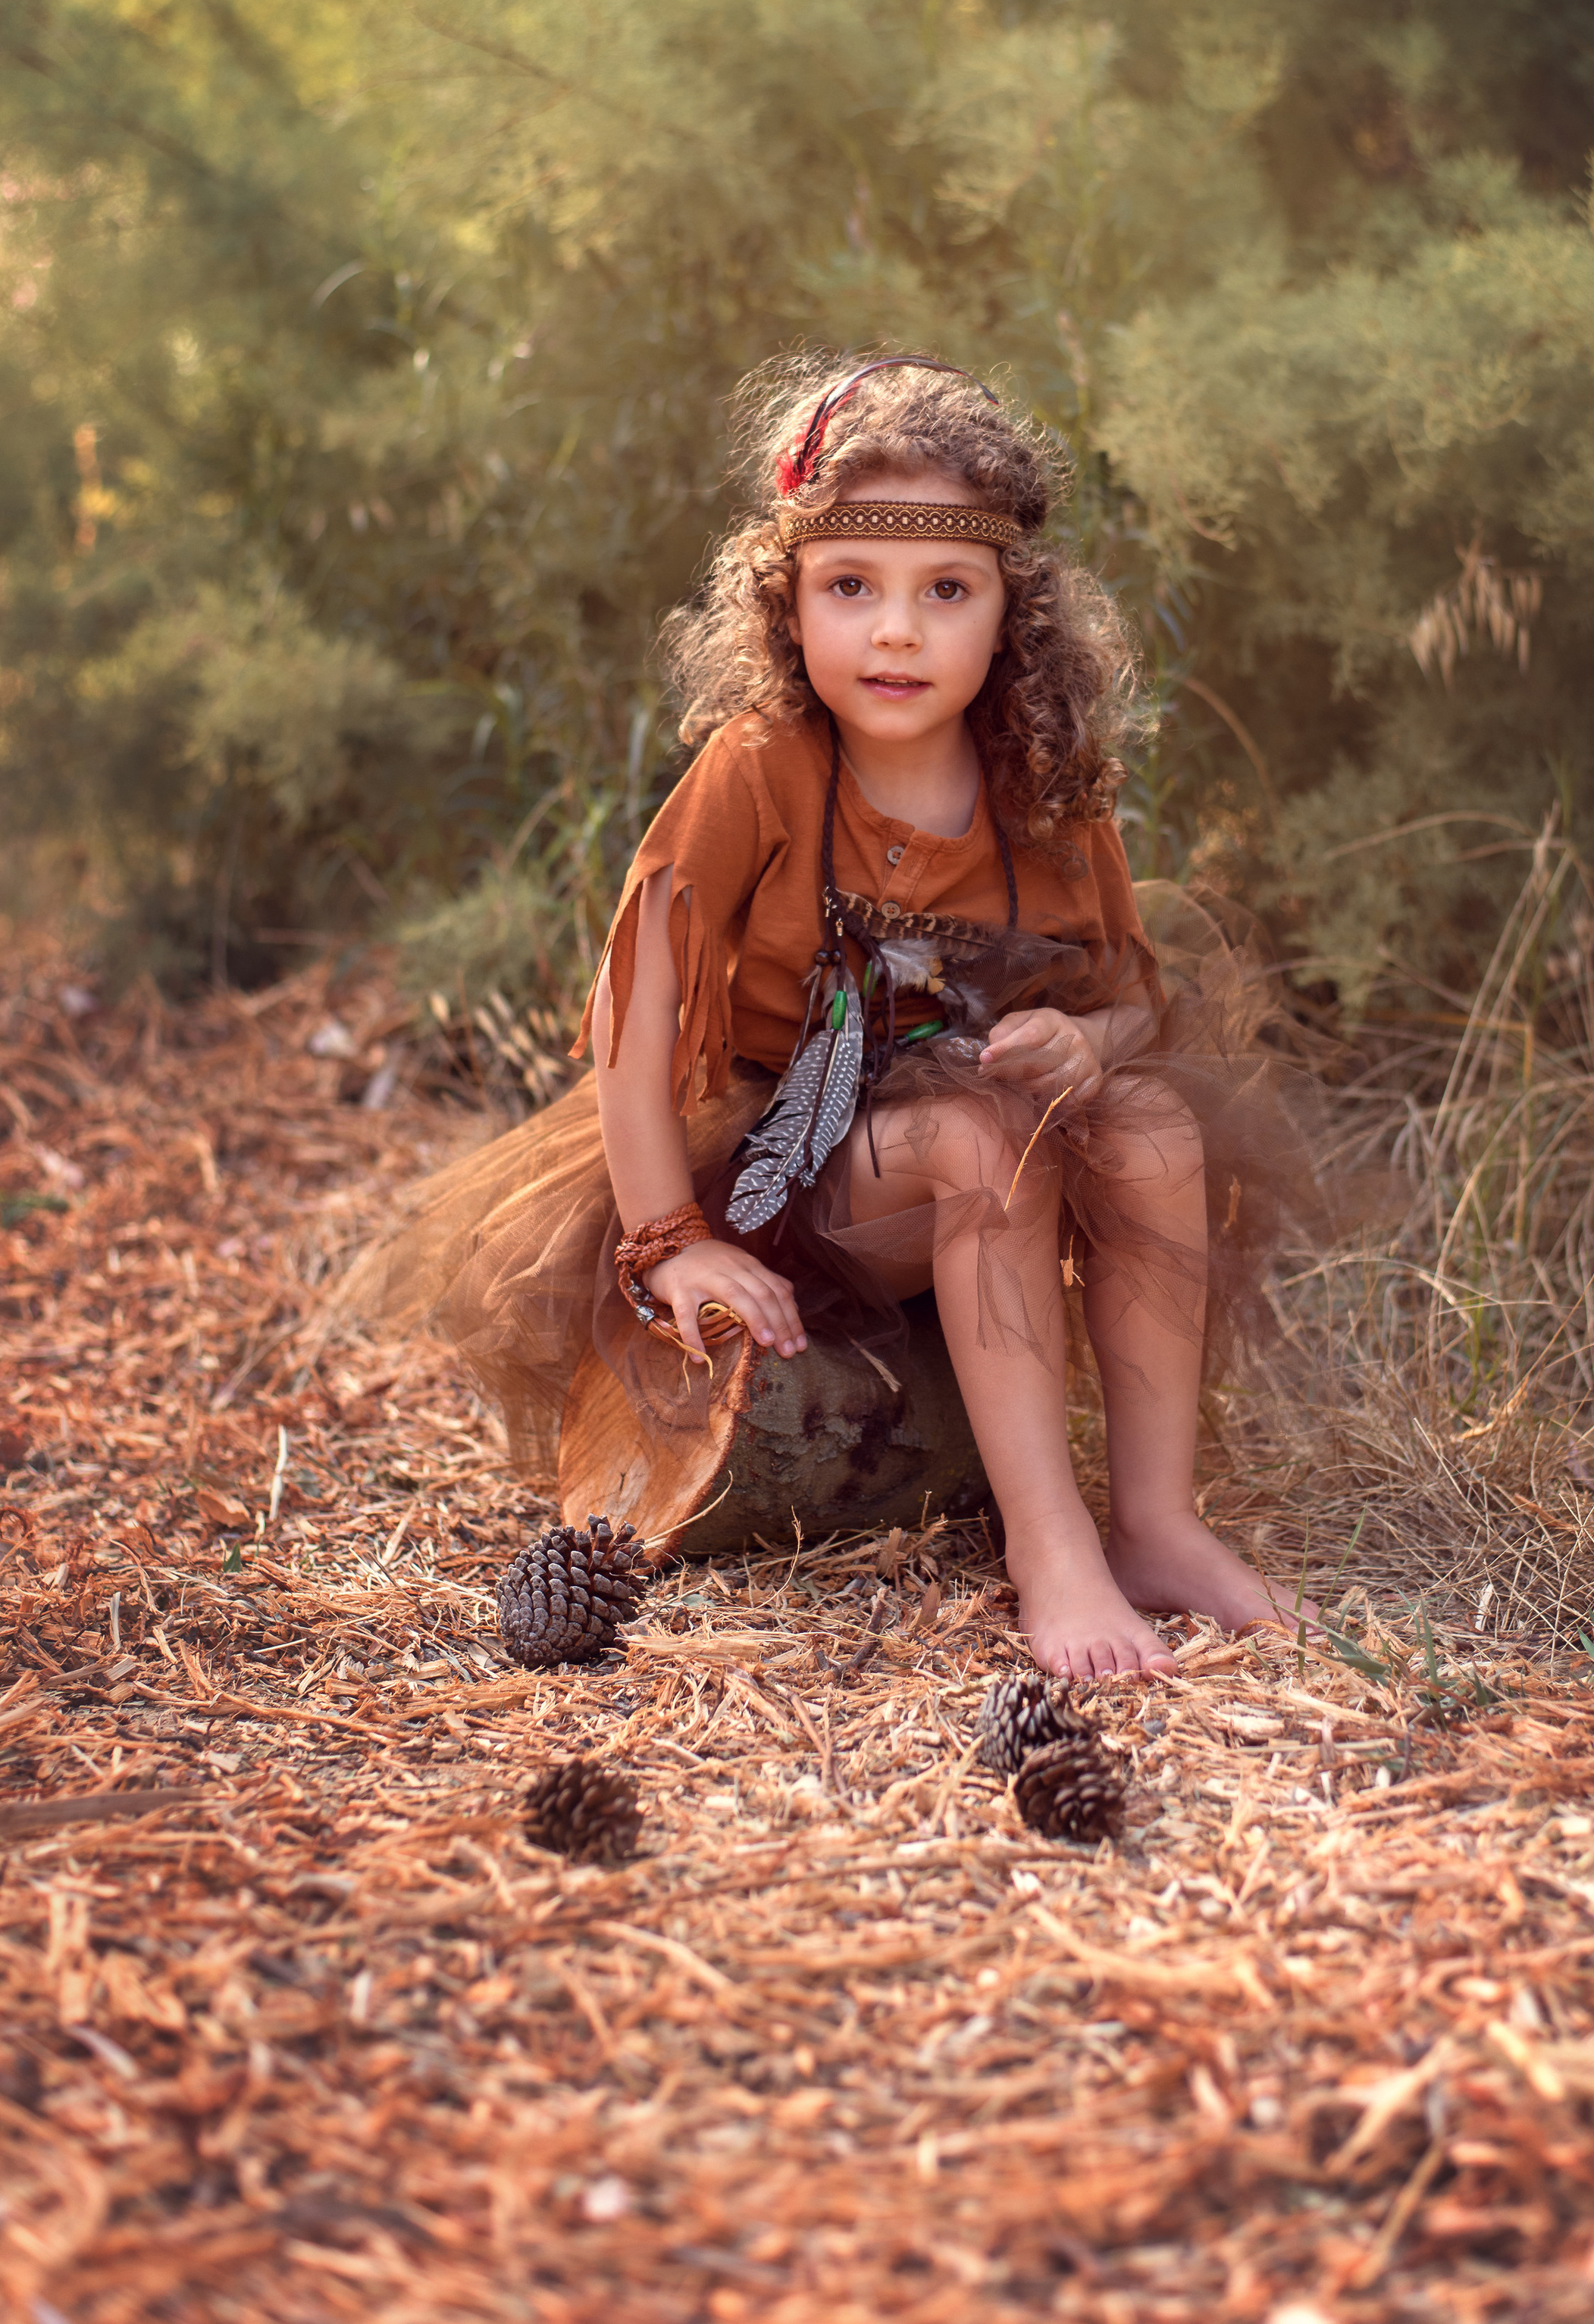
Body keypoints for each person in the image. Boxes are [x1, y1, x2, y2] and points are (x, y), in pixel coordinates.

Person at [340, 355, 1329, 1678]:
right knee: (978, 1135)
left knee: (1150, 1125)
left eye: (946, 592)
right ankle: (1051, 1551)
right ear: (787, 600)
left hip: (969, 1162)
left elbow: (1133, 994)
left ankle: (1156, 1524)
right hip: (780, 1171)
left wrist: (1087, 1045)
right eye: (851, 586)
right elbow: (635, 1018)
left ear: (1013, 615)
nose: (897, 633)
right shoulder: (761, 767)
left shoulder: (1042, 783)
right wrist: (670, 1242)